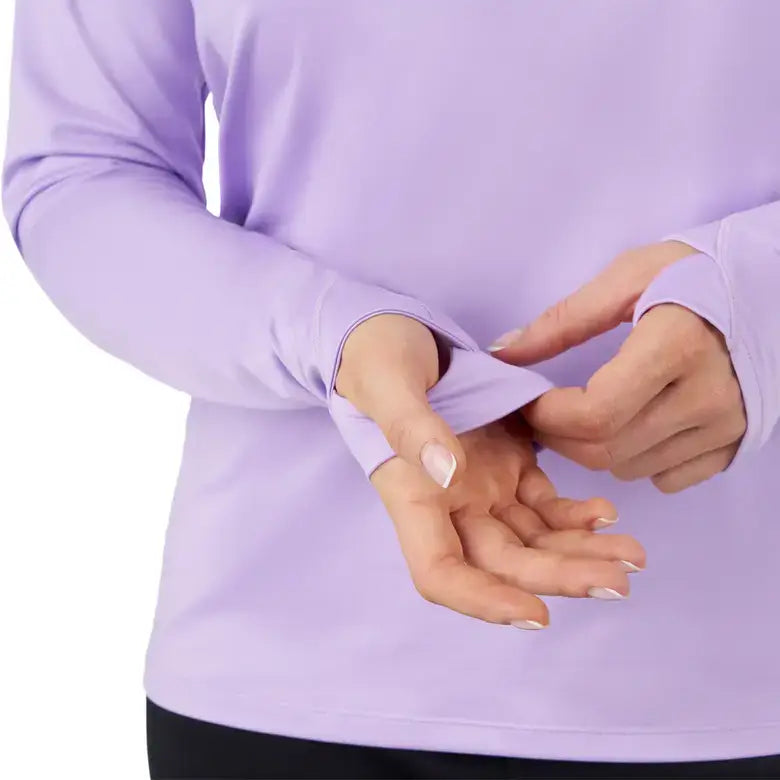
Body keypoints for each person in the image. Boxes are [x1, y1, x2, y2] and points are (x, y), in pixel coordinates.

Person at [3, 1, 779, 778]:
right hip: (281, 665)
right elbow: (82, 170)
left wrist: (759, 297)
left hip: (735, 677)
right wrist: (328, 333)